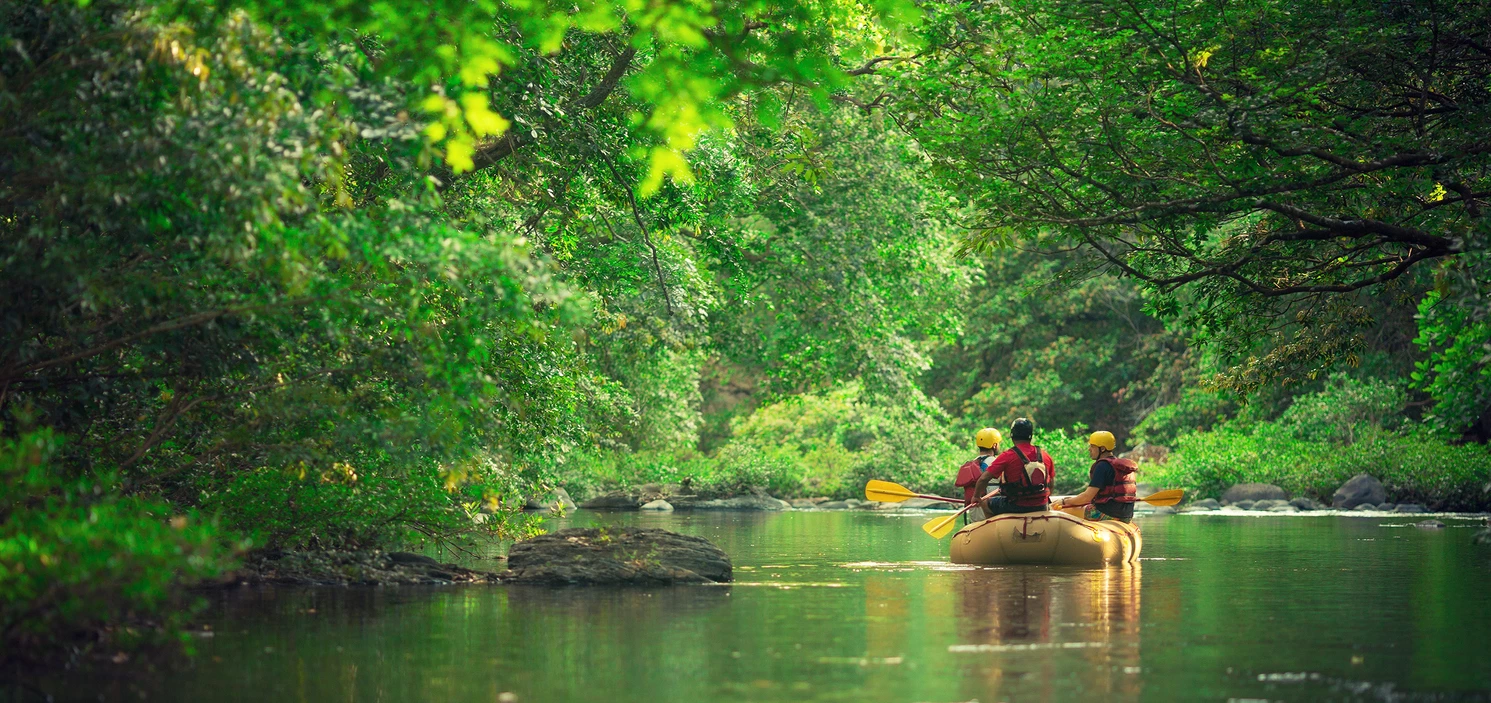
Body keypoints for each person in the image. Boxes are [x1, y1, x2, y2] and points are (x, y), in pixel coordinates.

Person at [973, 417, 1055, 517]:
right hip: (1042, 506)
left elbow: (983, 479)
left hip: (1016, 506)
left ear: (1012, 436)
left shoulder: (1007, 456)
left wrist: (976, 497)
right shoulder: (1045, 455)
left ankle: (991, 529)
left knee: (986, 503)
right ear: (1031, 436)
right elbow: (1051, 484)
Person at [1052, 431, 1138, 523]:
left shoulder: (1102, 466)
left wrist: (1065, 502)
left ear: (1102, 449)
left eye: (1092, 446)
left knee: (1062, 510)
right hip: (1126, 515)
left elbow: (1086, 497)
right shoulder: (1120, 467)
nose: (1089, 449)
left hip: (1107, 513)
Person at [955, 428, 1002, 521]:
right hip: (991, 516)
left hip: (974, 518)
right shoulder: (997, 463)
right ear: (994, 445)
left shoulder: (971, 463)